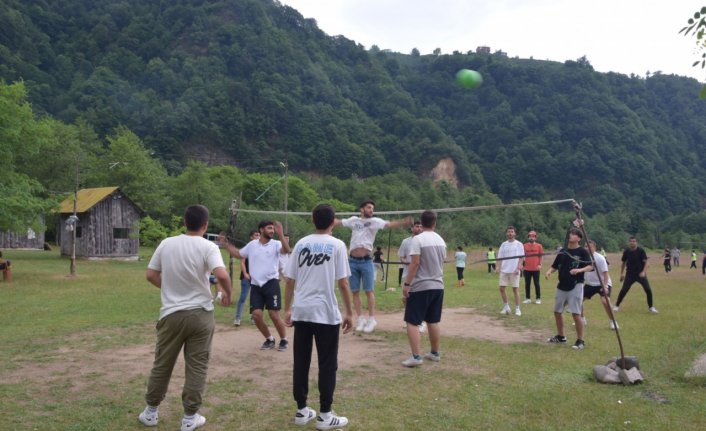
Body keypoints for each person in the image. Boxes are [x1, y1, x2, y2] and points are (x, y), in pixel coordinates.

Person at [138, 205, 232, 431]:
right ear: (205, 224)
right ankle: (190, 417)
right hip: (201, 314)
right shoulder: (208, 246)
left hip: (171, 314)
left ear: (184, 222)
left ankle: (151, 412)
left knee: (163, 363)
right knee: (197, 366)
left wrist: (168, 287)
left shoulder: (167, 244)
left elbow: (151, 274)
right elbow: (221, 274)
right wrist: (228, 293)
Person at [284, 204, 353, 430]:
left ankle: (302, 410)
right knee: (327, 363)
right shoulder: (337, 245)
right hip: (325, 312)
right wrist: (350, 312)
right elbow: (343, 282)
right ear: (333, 221)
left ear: (313, 220)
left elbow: (290, 279)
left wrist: (288, 308)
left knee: (301, 362)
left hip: (302, 310)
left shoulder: (302, 243)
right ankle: (325, 414)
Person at [335, 200, 411, 334]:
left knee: (369, 290)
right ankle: (360, 318)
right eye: (369, 207)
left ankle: (371, 319)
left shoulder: (375, 221)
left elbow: (389, 224)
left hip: (366, 261)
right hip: (352, 261)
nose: (371, 210)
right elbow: (339, 222)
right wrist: (325, 220)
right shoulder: (354, 220)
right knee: (355, 291)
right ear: (362, 209)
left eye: (372, 208)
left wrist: (403, 222)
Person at [221, 220, 291, 350]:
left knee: (273, 314)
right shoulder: (252, 245)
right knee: (256, 315)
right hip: (256, 285)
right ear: (261, 230)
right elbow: (238, 254)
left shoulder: (276, 243)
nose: (272, 231)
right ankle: (269, 339)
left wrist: (281, 234)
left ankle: (284, 340)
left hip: (271, 283)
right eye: (269, 228)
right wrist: (226, 244)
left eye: (273, 229)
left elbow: (286, 250)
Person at [401, 210, 446, 367]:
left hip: (421, 286)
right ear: (435, 223)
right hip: (438, 285)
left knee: (412, 321)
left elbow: (415, 263)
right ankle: (434, 353)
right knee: (432, 320)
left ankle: (416, 357)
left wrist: (407, 285)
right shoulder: (441, 240)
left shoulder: (417, 240)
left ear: (422, 222)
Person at [545, 228, 593, 350]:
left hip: (576, 285)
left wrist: (579, 270)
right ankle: (561, 337)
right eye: (570, 234)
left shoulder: (582, 251)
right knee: (557, 311)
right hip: (562, 285)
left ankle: (580, 340)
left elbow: (590, 266)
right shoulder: (563, 251)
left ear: (579, 238)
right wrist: (549, 271)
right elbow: (555, 266)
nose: (570, 236)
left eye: (573, 234)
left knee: (576, 314)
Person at [613, 236, 658, 314]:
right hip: (630, 274)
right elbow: (623, 263)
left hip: (640, 274)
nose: (632, 242)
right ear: (629, 242)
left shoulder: (641, 251)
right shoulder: (626, 251)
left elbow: (647, 263)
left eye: (634, 241)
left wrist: (643, 272)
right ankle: (616, 306)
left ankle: (651, 307)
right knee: (624, 290)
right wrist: (622, 274)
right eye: (631, 241)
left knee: (648, 289)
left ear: (636, 242)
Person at [582, 240, 619, 330]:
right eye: (586, 246)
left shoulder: (600, 258)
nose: (587, 248)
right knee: (577, 300)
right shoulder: (583, 257)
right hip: (590, 284)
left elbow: (605, 273)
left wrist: (605, 286)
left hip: (602, 283)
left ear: (594, 248)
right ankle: (582, 319)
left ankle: (613, 322)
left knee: (605, 301)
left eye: (590, 247)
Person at [234, 229, 260, 326]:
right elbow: (242, 262)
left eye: (259, 235)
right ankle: (237, 318)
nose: (258, 237)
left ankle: (253, 317)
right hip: (246, 277)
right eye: (256, 235)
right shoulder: (248, 248)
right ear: (251, 237)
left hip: (256, 278)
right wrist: (245, 273)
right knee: (243, 297)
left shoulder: (260, 248)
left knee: (255, 299)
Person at [497, 226, 525, 316]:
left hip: (514, 270)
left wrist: (518, 268)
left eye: (512, 232)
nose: (510, 233)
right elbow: (500, 257)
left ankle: (517, 309)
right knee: (501, 288)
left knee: (515, 289)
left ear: (515, 233)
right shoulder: (503, 244)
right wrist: (498, 267)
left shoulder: (519, 244)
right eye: (509, 232)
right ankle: (506, 307)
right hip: (504, 270)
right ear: (506, 233)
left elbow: (521, 257)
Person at [522, 230, 544, 304]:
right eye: (530, 236)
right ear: (528, 237)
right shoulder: (524, 246)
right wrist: (522, 265)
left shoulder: (539, 246)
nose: (531, 238)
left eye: (533, 236)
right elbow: (522, 256)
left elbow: (541, 256)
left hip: (536, 268)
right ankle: (528, 298)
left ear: (535, 238)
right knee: (527, 283)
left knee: (536, 283)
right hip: (527, 268)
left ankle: (538, 298)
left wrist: (540, 264)